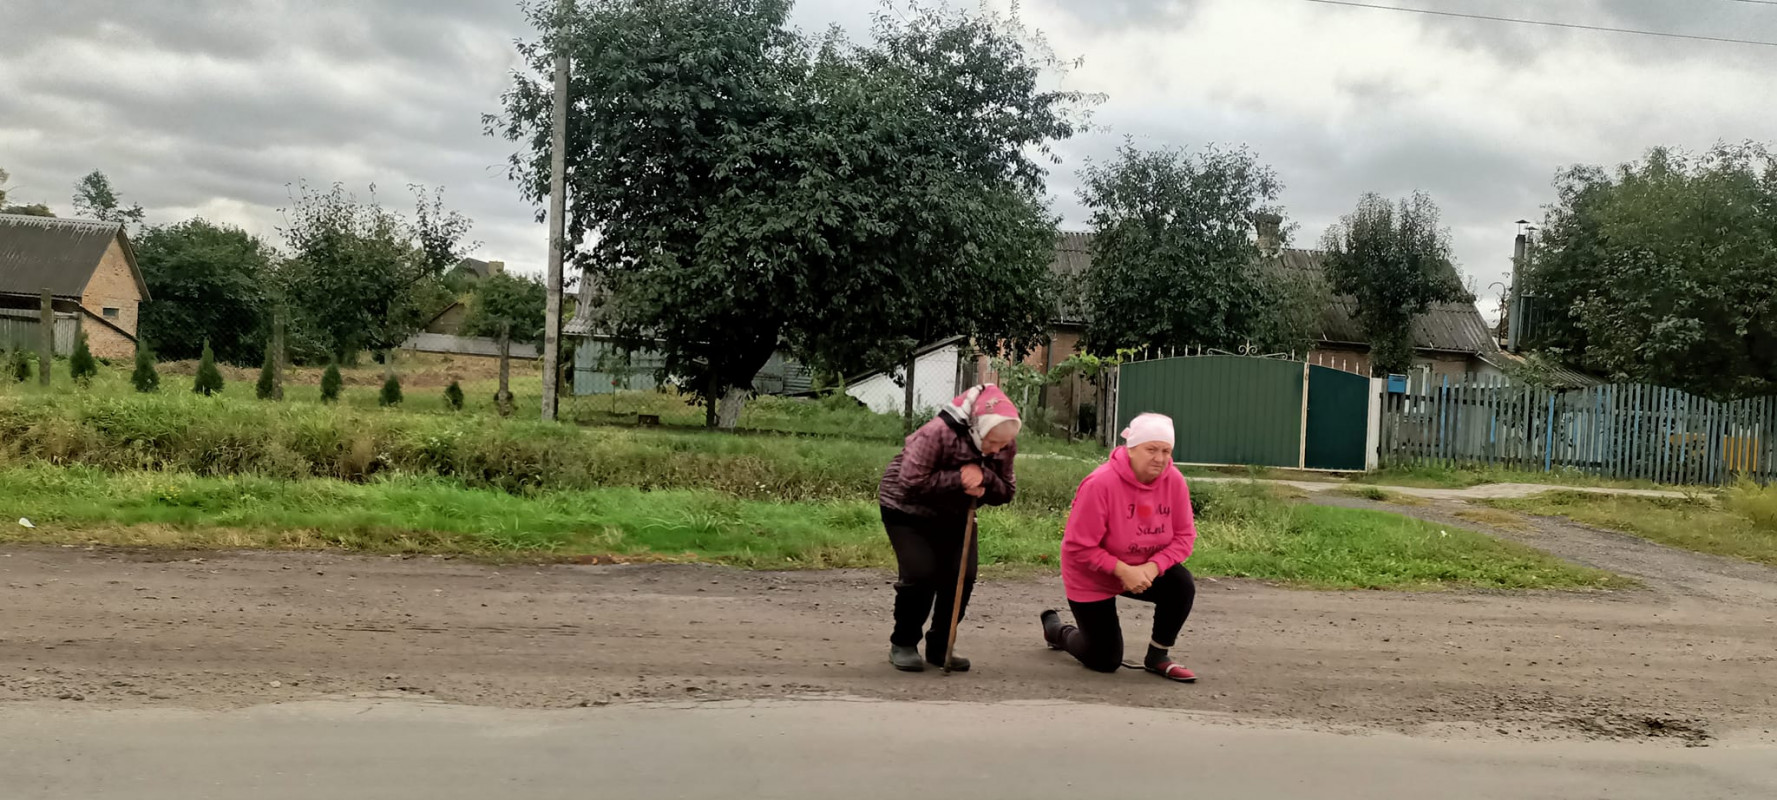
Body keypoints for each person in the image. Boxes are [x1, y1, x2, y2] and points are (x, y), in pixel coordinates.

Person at [1041, 412, 1198, 682]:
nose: (1160, 459)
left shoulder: (1174, 481)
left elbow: (1185, 537)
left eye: (1166, 450)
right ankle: (1056, 630)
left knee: (1181, 584)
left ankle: (1158, 656)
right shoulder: (1100, 484)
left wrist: (1153, 566)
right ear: (1132, 448)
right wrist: (1122, 569)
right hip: (1092, 575)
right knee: (1104, 659)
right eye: (1151, 449)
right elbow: (1078, 546)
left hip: (1142, 570)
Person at [877, 384, 1021, 672]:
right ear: (977, 427)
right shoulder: (938, 433)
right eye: (992, 443)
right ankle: (903, 643)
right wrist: (958, 479)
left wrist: (986, 479)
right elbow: (911, 482)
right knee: (921, 573)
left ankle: (941, 646)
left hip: (955, 512)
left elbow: (1006, 491)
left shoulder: (1005, 442)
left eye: (1002, 446)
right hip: (905, 509)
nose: (997, 450)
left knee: (962, 576)